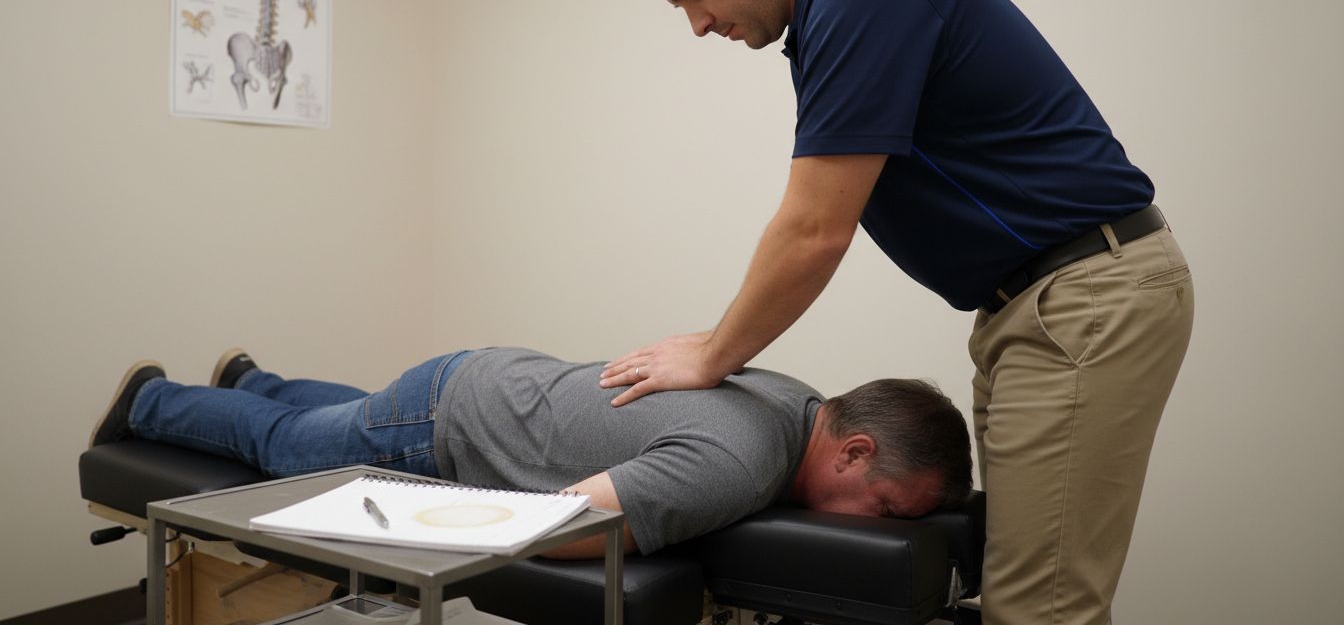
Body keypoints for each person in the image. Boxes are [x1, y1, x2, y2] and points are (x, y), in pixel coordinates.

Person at [606, 0, 1195, 622]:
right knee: (1022, 589)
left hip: (1082, 297)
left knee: (1038, 608)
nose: (696, 23)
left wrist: (714, 354)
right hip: (1036, 307)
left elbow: (815, 229)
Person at [91, 347, 971, 559]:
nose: (881, 530)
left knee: (352, 417)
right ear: (853, 450)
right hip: (452, 425)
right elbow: (561, 529)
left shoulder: (794, 399)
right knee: (292, 451)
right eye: (887, 511)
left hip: (497, 382)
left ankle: (254, 376)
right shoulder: (739, 462)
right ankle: (153, 400)